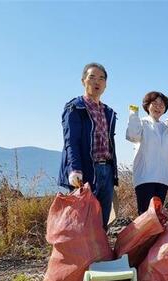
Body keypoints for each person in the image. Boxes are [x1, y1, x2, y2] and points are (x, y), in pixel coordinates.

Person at [58, 63, 118, 229]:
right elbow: (71, 141)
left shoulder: (108, 112)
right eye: (92, 77)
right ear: (83, 80)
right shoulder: (75, 107)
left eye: (101, 78)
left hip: (106, 169)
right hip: (85, 170)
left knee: (103, 219)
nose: (96, 82)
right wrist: (74, 169)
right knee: (82, 221)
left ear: (105, 84)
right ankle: (82, 255)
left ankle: (99, 254)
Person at [126, 91, 168, 215]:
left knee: (157, 217)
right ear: (147, 105)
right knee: (146, 217)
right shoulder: (142, 123)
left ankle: (155, 236)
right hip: (145, 177)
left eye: (161, 105)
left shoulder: (167, 129)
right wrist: (133, 115)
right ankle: (144, 236)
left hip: (162, 179)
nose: (158, 107)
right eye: (154, 103)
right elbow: (132, 136)